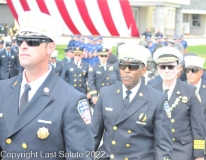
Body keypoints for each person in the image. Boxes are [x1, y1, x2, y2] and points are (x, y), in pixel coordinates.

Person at [0, 11, 94, 159]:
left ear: (50, 48)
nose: (23, 46)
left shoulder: (71, 100)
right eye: (19, 40)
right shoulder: (3, 90)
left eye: (32, 41)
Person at [94, 43, 173, 160]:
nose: (126, 70)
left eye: (133, 67)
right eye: (122, 66)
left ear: (143, 70)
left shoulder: (157, 99)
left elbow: (163, 145)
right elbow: (93, 135)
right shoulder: (106, 93)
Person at [151, 47, 205, 160]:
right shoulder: (150, 90)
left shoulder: (190, 91)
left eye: (171, 66)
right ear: (158, 69)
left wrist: (199, 155)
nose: (167, 70)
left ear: (178, 69)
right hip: (156, 149)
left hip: (182, 149)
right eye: (162, 67)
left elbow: (198, 126)